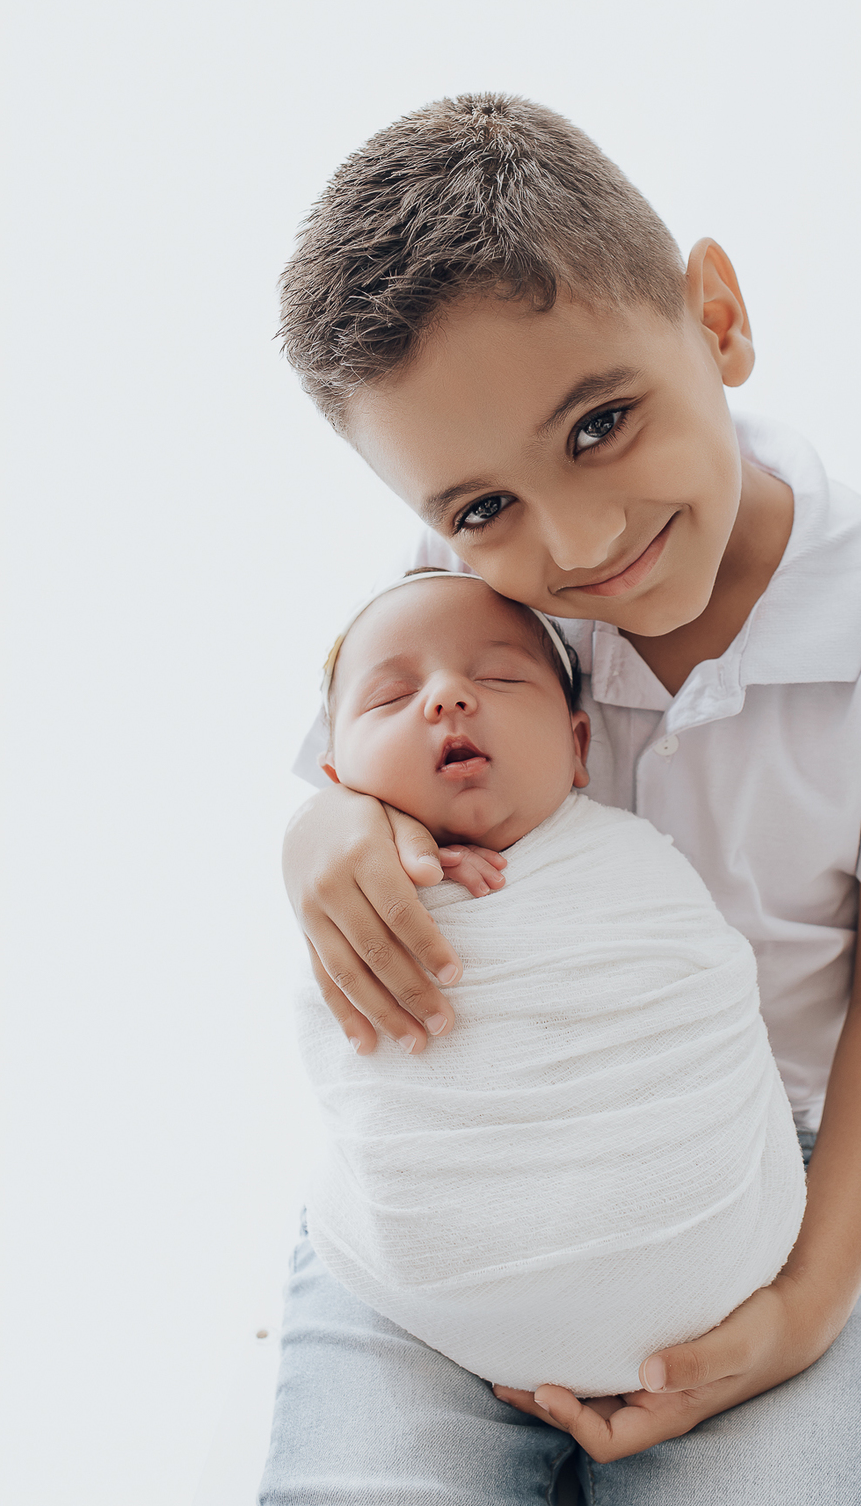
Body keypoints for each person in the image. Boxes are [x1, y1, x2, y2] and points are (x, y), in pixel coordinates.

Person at [265, 93, 861, 1505]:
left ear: (718, 320)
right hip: (457, 1167)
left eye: (602, 423)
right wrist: (318, 836)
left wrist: (806, 1304)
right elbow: (344, 784)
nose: (577, 540)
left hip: (746, 1197)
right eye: (479, 508)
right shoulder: (465, 598)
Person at [294, 567, 805, 1396]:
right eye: (391, 697)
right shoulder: (346, 888)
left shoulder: (637, 866)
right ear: (336, 779)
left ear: (578, 746)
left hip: (708, 1268)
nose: (448, 697)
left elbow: (699, 1000)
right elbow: (351, 1057)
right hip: (437, 1295)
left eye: (499, 677)